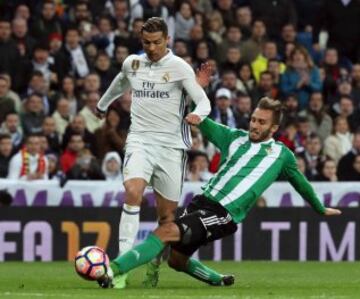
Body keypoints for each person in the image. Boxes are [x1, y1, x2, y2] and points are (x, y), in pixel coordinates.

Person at [98, 97, 341, 289]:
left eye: (262, 122)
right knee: (176, 261)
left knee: (166, 231)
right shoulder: (233, 137)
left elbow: (300, 183)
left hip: (224, 214)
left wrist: (319, 208)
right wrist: (197, 92)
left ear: (274, 127)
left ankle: (112, 270)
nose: (255, 125)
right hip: (201, 203)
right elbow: (202, 119)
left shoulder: (281, 155)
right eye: (254, 120)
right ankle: (217, 279)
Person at [95, 17, 211, 288]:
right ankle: (121, 268)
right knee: (133, 192)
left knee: (167, 220)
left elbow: (203, 100)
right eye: (147, 43)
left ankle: (153, 266)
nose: (152, 48)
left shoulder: (179, 67)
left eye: (157, 42)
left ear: (167, 40)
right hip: (140, 141)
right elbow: (121, 81)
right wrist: (103, 104)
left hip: (171, 148)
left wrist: (195, 114)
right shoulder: (132, 63)